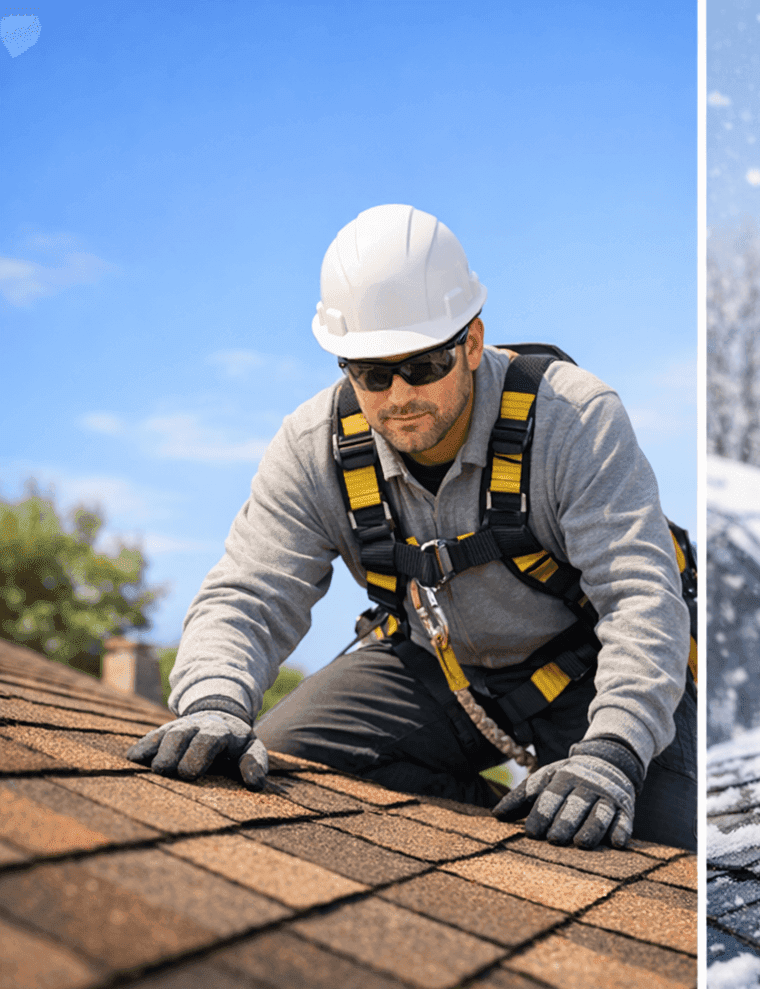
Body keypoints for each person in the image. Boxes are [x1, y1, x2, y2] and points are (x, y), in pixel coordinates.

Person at [128, 204, 695, 850]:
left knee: (656, 845)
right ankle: (501, 819)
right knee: (286, 760)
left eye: (423, 366)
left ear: (472, 344)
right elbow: (249, 592)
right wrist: (213, 702)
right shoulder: (315, 448)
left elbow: (640, 598)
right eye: (372, 374)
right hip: (434, 672)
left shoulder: (574, 419)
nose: (399, 395)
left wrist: (614, 752)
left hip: (592, 672)